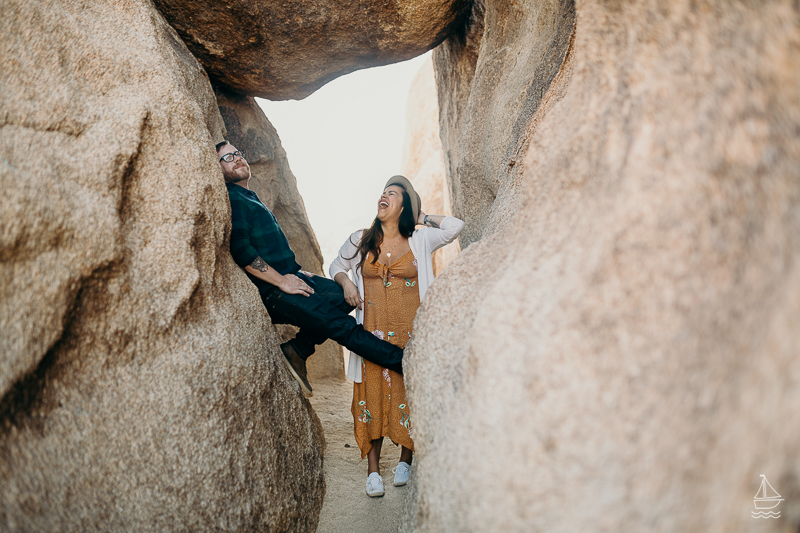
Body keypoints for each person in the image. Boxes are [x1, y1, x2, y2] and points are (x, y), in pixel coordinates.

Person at [217, 140, 404, 397]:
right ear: (218, 170)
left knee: (346, 297)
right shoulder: (234, 197)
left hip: (293, 277)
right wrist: (282, 280)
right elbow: (241, 249)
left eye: (237, 153)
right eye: (227, 158)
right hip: (274, 291)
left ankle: (298, 350)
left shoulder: (248, 196)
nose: (237, 158)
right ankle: (405, 362)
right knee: (342, 327)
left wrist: (295, 272)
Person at [330, 176, 464, 497]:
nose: (384, 196)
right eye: (383, 192)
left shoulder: (419, 239)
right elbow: (337, 264)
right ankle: (373, 471)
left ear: (403, 206)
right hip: (370, 334)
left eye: (392, 194)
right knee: (369, 395)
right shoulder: (361, 239)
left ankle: (406, 459)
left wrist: (419, 218)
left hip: (411, 334)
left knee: (408, 391)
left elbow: (454, 227)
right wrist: (346, 283)